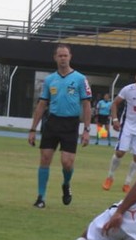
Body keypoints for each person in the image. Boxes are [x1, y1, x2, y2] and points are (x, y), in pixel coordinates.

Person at [27, 44, 93, 209]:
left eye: (65, 55)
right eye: (60, 56)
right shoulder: (50, 80)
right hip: (52, 122)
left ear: (70, 57)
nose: (63, 58)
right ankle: (41, 197)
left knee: (67, 163)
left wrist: (86, 130)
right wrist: (33, 129)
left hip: (70, 124)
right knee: (45, 159)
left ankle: (66, 184)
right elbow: (42, 105)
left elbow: (86, 105)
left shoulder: (80, 78)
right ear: (55, 58)